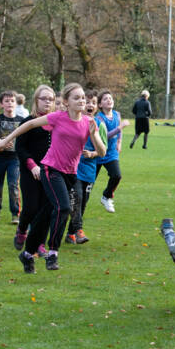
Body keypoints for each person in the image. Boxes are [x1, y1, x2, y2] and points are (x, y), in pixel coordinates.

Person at [0, 83, 105, 273]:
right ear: (66, 102)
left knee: (46, 215)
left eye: (83, 97)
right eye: (76, 98)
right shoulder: (57, 117)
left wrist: (93, 134)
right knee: (64, 207)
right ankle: (53, 252)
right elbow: (29, 124)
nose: (82, 101)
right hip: (50, 169)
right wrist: (6, 140)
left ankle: (27, 254)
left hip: (70, 174)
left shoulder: (89, 121)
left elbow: (102, 151)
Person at [13, 85, 56, 257]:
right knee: (31, 207)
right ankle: (22, 228)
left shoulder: (56, 122)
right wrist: (32, 166)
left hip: (51, 172)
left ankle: (39, 243)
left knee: (46, 209)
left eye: (51, 99)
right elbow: (20, 148)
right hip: (30, 171)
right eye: (44, 98)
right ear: (36, 100)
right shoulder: (28, 122)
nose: (48, 102)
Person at [66, 90, 100, 244]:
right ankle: (79, 230)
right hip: (73, 170)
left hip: (89, 171)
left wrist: (92, 153)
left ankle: (70, 233)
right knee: (77, 199)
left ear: (97, 107)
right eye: (87, 102)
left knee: (82, 203)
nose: (89, 105)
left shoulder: (99, 125)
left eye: (93, 102)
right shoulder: (72, 121)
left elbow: (103, 150)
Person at [0, 91, 25, 223]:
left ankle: (15, 214)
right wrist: (1, 142)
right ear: (1, 104)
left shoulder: (21, 120)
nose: (10, 103)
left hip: (15, 159)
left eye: (12, 101)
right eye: (7, 101)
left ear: (16, 103)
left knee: (13, 185)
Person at [95, 90, 129, 213]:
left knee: (116, 176)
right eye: (105, 99)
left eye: (110, 98)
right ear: (100, 104)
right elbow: (105, 136)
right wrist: (120, 127)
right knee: (88, 183)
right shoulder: (99, 118)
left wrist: (119, 142)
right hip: (98, 153)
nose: (109, 100)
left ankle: (106, 197)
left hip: (111, 153)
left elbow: (120, 132)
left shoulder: (117, 114)